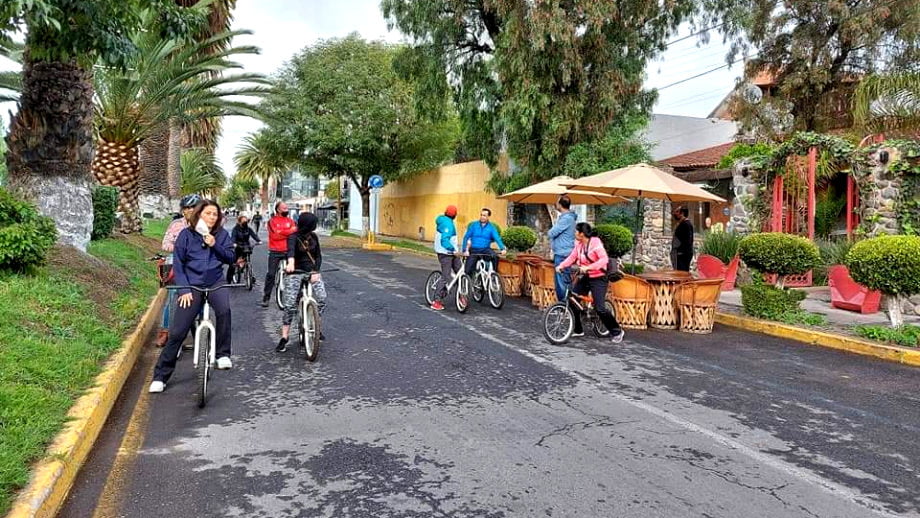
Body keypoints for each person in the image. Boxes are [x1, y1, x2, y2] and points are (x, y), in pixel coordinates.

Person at [149, 200, 236, 393]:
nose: (212, 217)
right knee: (178, 331)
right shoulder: (185, 235)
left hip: (215, 282)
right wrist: (184, 289)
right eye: (208, 213)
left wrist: (214, 245)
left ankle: (222, 354)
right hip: (191, 284)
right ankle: (160, 376)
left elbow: (230, 258)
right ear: (199, 214)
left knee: (224, 311)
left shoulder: (221, 235)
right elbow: (178, 265)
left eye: (215, 214)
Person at [556, 222, 625, 343]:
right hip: (587, 276)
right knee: (573, 300)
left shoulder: (595, 243)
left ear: (582, 234)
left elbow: (604, 260)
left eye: (576, 231)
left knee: (600, 308)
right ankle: (578, 330)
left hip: (599, 277)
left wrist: (588, 267)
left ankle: (617, 331)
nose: (574, 233)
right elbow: (572, 257)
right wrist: (561, 266)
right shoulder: (579, 245)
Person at [155, 194, 202, 346]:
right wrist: (180, 247)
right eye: (187, 208)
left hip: (198, 265)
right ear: (183, 211)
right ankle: (165, 331)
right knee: (172, 294)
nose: (190, 210)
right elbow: (165, 244)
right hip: (177, 263)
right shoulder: (176, 225)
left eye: (194, 207)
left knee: (202, 293)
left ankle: (200, 329)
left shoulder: (205, 225)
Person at [277, 212, 327, 352]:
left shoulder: (314, 237)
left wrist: (316, 271)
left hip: (312, 272)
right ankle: (285, 336)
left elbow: (318, 256)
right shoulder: (293, 237)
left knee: (322, 298)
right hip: (295, 272)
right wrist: (290, 263)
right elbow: (290, 252)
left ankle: (314, 322)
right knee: (290, 305)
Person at [262, 202, 297, 307]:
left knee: (295, 273)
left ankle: (296, 297)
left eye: (287, 208)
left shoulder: (291, 221)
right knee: (271, 274)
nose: (286, 209)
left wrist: (282, 232)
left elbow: (295, 232)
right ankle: (266, 297)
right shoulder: (272, 221)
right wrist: (289, 232)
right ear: (278, 209)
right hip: (275, 251)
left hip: (289, 251)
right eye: (284, 208)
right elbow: (275, 236)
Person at [431, 205, 462, 311]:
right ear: (455, 215)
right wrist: (453, 250)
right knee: (446, 276)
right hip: (445, 253)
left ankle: (462, 296)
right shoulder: (448, 224)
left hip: (452, 252)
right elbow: (444, 240)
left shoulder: (444, 220)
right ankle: (436, 301)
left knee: (460, 273)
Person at [548, 195, 577, 302]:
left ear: (560, 204)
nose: (555, 204)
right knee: (564, 280)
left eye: (557, 202)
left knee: (562, 282)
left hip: (563, 254)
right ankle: (567, 306)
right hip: (564, 252)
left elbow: (551, 233)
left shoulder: (567, 219)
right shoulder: (566, 218)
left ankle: (564, 306)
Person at [462, 207, 507, 276]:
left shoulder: (491, 227)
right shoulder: (474, 225)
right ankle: (469, 283)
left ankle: (494, 275)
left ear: (488, 217)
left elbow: (497, 238)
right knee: (467, 271)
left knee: (495, 257)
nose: (482, 217)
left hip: (485, 250)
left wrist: (502, 248)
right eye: (481, 215)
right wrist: (464, 250)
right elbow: (466, 237)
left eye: (484, 215)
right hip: (474, 250)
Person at [226, 214, 261, 284]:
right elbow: (233, 237)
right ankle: (229, 279)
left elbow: (253, 235)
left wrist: (258, 241)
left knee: (247, 260)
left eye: (246, 221)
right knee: (233, 263)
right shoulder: (235, 229)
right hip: (238, 246)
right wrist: (233, 243)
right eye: (244, 221)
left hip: (246, 246)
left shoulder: (248, 229)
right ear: (239, 222)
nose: (245, 223)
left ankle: (249, 274)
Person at [671, 206, 694, 271]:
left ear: (682, 213)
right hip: (680, 253)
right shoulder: (682, 224)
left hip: (682, 254)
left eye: (677, 212)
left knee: (681, 273)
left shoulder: (686, 224)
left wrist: (681, 252)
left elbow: (688, 241)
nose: (675, 213)